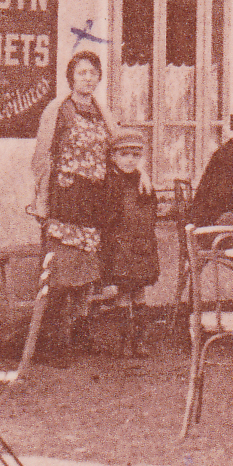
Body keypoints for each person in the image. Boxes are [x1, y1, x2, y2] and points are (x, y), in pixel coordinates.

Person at [29, 50, 114, 365]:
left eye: (93, 73)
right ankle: (53, 342)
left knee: (86, 270)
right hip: (66, 196)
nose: (87, 78)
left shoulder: (102, 112)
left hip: (92, 198)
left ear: (99, 77)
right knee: (60, 272)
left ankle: (80, 334)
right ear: (71, 78)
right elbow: (42, 156)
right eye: (81, 73)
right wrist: (41, 197)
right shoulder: (59, 110)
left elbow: (119, 147)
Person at [99, 127, 161, 355]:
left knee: (140, 292)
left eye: (135, 155)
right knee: (123, 293)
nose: (130, 160)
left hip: (142, 244)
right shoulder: (109, 181)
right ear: (113, 156)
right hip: (119, 245)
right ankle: (124, 342)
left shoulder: (143, 181)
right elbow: (105, 217)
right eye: (124, 155)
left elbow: (151, 209)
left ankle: (140, 342)